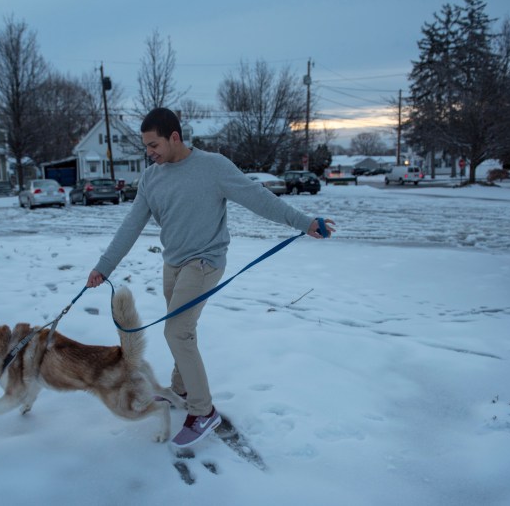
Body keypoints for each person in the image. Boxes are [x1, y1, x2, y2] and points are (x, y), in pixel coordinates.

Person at [86, 108, 335, 448]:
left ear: (175, 137)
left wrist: (303, 222)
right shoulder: (151, 178)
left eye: (154, 144)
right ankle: (182, 387)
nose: (150, 152)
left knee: (177, 330)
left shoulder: (213, 167)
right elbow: (132, 224)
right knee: (182, 330)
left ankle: (203, 411)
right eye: (146, 146)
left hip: (204, 262)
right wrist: (105, 266)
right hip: (172, 263)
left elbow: (257, 198)